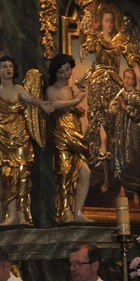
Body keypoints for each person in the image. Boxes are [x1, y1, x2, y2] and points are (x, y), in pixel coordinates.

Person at [0, 56, 54, 227]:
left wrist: (41, 104)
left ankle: (21, 215)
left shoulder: (18, 88)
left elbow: (31, 99)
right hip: (3, 138)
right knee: (7, 176)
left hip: (20, 137)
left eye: (11, 66)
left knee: (22, 174)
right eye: (4, 66)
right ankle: (11, 214)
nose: (8, 69)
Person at [79, 4, 140, 168]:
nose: (109, 24)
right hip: (97, 82)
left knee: (112, 118)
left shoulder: (121, 39)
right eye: (106, 21)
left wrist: (137, 71)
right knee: (97, 116)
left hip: (113, 83)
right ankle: (97, 153)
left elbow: (132, 59)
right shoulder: (96, 38)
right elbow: (85, 43)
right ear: (101, 22)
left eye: (112, 21)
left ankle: (113, 158)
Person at [46, 54, 93, 224]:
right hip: (61, 135)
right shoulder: (52, 89)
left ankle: (78, 211)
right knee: (64, 174)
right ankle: (66, 212)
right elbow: (54, 105)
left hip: (75, 134)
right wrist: (75, 101)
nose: (65, 74)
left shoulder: (72, 89)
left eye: (68, 70)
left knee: (85, 172)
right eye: (61, 71)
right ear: (55, 73)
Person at [100, 68, 140, 202]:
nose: (127, 80)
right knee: (119, 157)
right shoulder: (120, 94)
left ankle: (135, 193)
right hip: (120, 132)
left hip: (131, 133)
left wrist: (125, 107)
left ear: (134, 81)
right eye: (125, 77)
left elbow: (136, 115)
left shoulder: (136, 96)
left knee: (131, 160)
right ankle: (122, 191)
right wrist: (113, 108)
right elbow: (113, 112)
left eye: (130, 78)